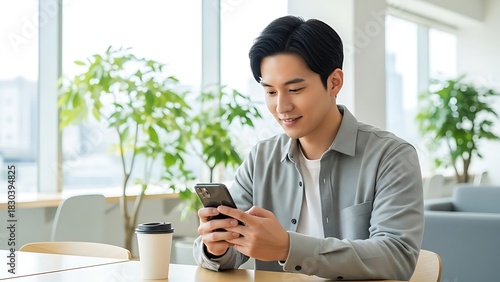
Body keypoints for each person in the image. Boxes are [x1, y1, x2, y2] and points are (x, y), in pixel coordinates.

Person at [193, 15, 424, 280]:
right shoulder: (261, 158)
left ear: (334, 82)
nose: (281, 107)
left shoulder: (391, 156)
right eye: (270, 92)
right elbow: (230, 252)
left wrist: (288, 247)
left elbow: (396, 256)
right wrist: (216, 248)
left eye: (295, 89)